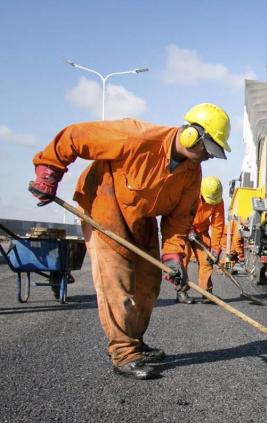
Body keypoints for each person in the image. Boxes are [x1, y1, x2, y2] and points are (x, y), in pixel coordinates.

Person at [28, 103, 231, 380]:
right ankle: (123, 352)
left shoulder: (192, 172)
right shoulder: (135, 137)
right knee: (117, 283)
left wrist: (173, 257)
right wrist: (49, 172)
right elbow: (75, 136)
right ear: (191, 135)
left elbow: (179, 218)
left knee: (149, 284)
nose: (208, 157)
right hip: (105, 208)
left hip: (142, 218)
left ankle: (135, 340)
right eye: (208, 149)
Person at [176, 176, 225, 304]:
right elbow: (181, 213)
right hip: (184, 229)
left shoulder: (218, 200)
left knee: (207, 261)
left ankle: (206, 293)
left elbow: (217, 224)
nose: (210, 204)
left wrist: (215, 248)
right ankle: (181, 291)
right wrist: (189, 228)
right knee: (183, 260)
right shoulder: (191, 193)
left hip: (202, 231)